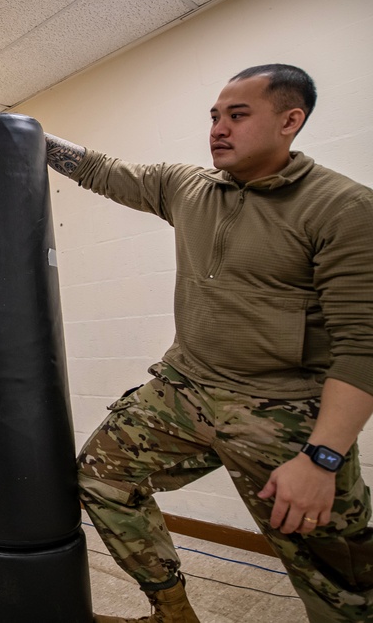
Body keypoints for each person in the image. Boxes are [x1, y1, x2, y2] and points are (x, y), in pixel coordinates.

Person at [43, 64, 373, 622]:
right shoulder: (187, 187)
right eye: (215, 116)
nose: (219, 128)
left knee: (339, 574)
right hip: (185, 388)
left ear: (290, 120)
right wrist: (28, 135)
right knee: (101, 475)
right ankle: (173, 613)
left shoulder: (343, 208)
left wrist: (322, 459)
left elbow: (363, 348)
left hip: (284, 411)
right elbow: (102, 170)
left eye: (237, 116)